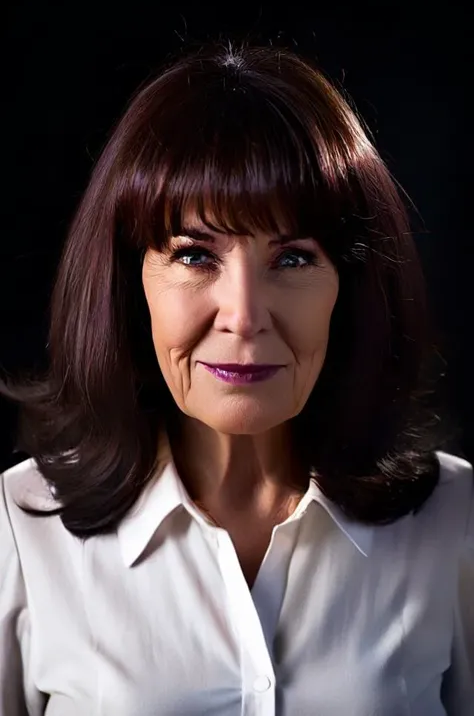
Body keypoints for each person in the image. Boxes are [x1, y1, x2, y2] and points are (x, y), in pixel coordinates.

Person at [0, 41, 472, 716]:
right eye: (194, 254)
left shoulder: (455, 518)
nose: (245, 316)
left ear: (352, 286)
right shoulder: (21, 528)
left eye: (293, 259)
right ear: (130, 284)